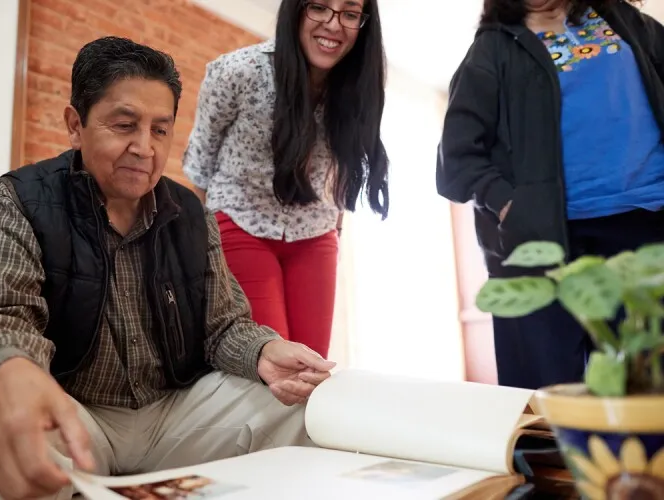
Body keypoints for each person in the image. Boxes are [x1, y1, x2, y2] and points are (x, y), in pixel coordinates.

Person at [0, 36, 336, 500]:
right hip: (74, 414)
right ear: (76, 125)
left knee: (303, 405)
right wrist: (11, 371)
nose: (144, 148)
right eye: (124, 124)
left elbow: (223, 325)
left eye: (159, 130)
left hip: (171, 413)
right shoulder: (19, 199)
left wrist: (263, 351)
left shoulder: (192, 215)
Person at [436, 0, 664, 390]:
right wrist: (510, 205)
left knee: (648, 391)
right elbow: (456, 161)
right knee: (549, 405)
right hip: (548, 241)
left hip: (648, 228)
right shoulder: (493, 48)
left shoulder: (630, 25)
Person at [182, 0, 390, 359]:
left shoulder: (360, 85)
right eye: (319, 7)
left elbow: (345, 166)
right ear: (296, 10)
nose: (333, 24)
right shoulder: (239, 72)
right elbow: (200, 163)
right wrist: (206, 248)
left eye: (350, 13)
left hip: (314, 232)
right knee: (275, 367)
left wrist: (335, 232)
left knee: (312, 366)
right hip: (239, 223)